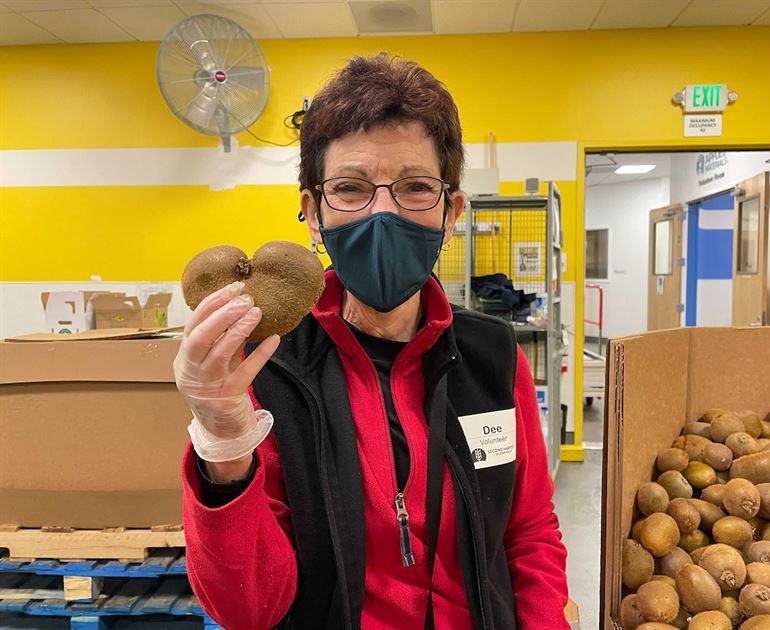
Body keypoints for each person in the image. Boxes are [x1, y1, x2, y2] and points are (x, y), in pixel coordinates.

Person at [174, 52, 570, 630]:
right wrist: (223, 442)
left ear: (451, 211)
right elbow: (249, 609)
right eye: (351, 188)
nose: (382, 212)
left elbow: (528, 530)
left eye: (414, 187)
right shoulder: (266, 366)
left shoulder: (492, 354)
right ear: (312, 213)